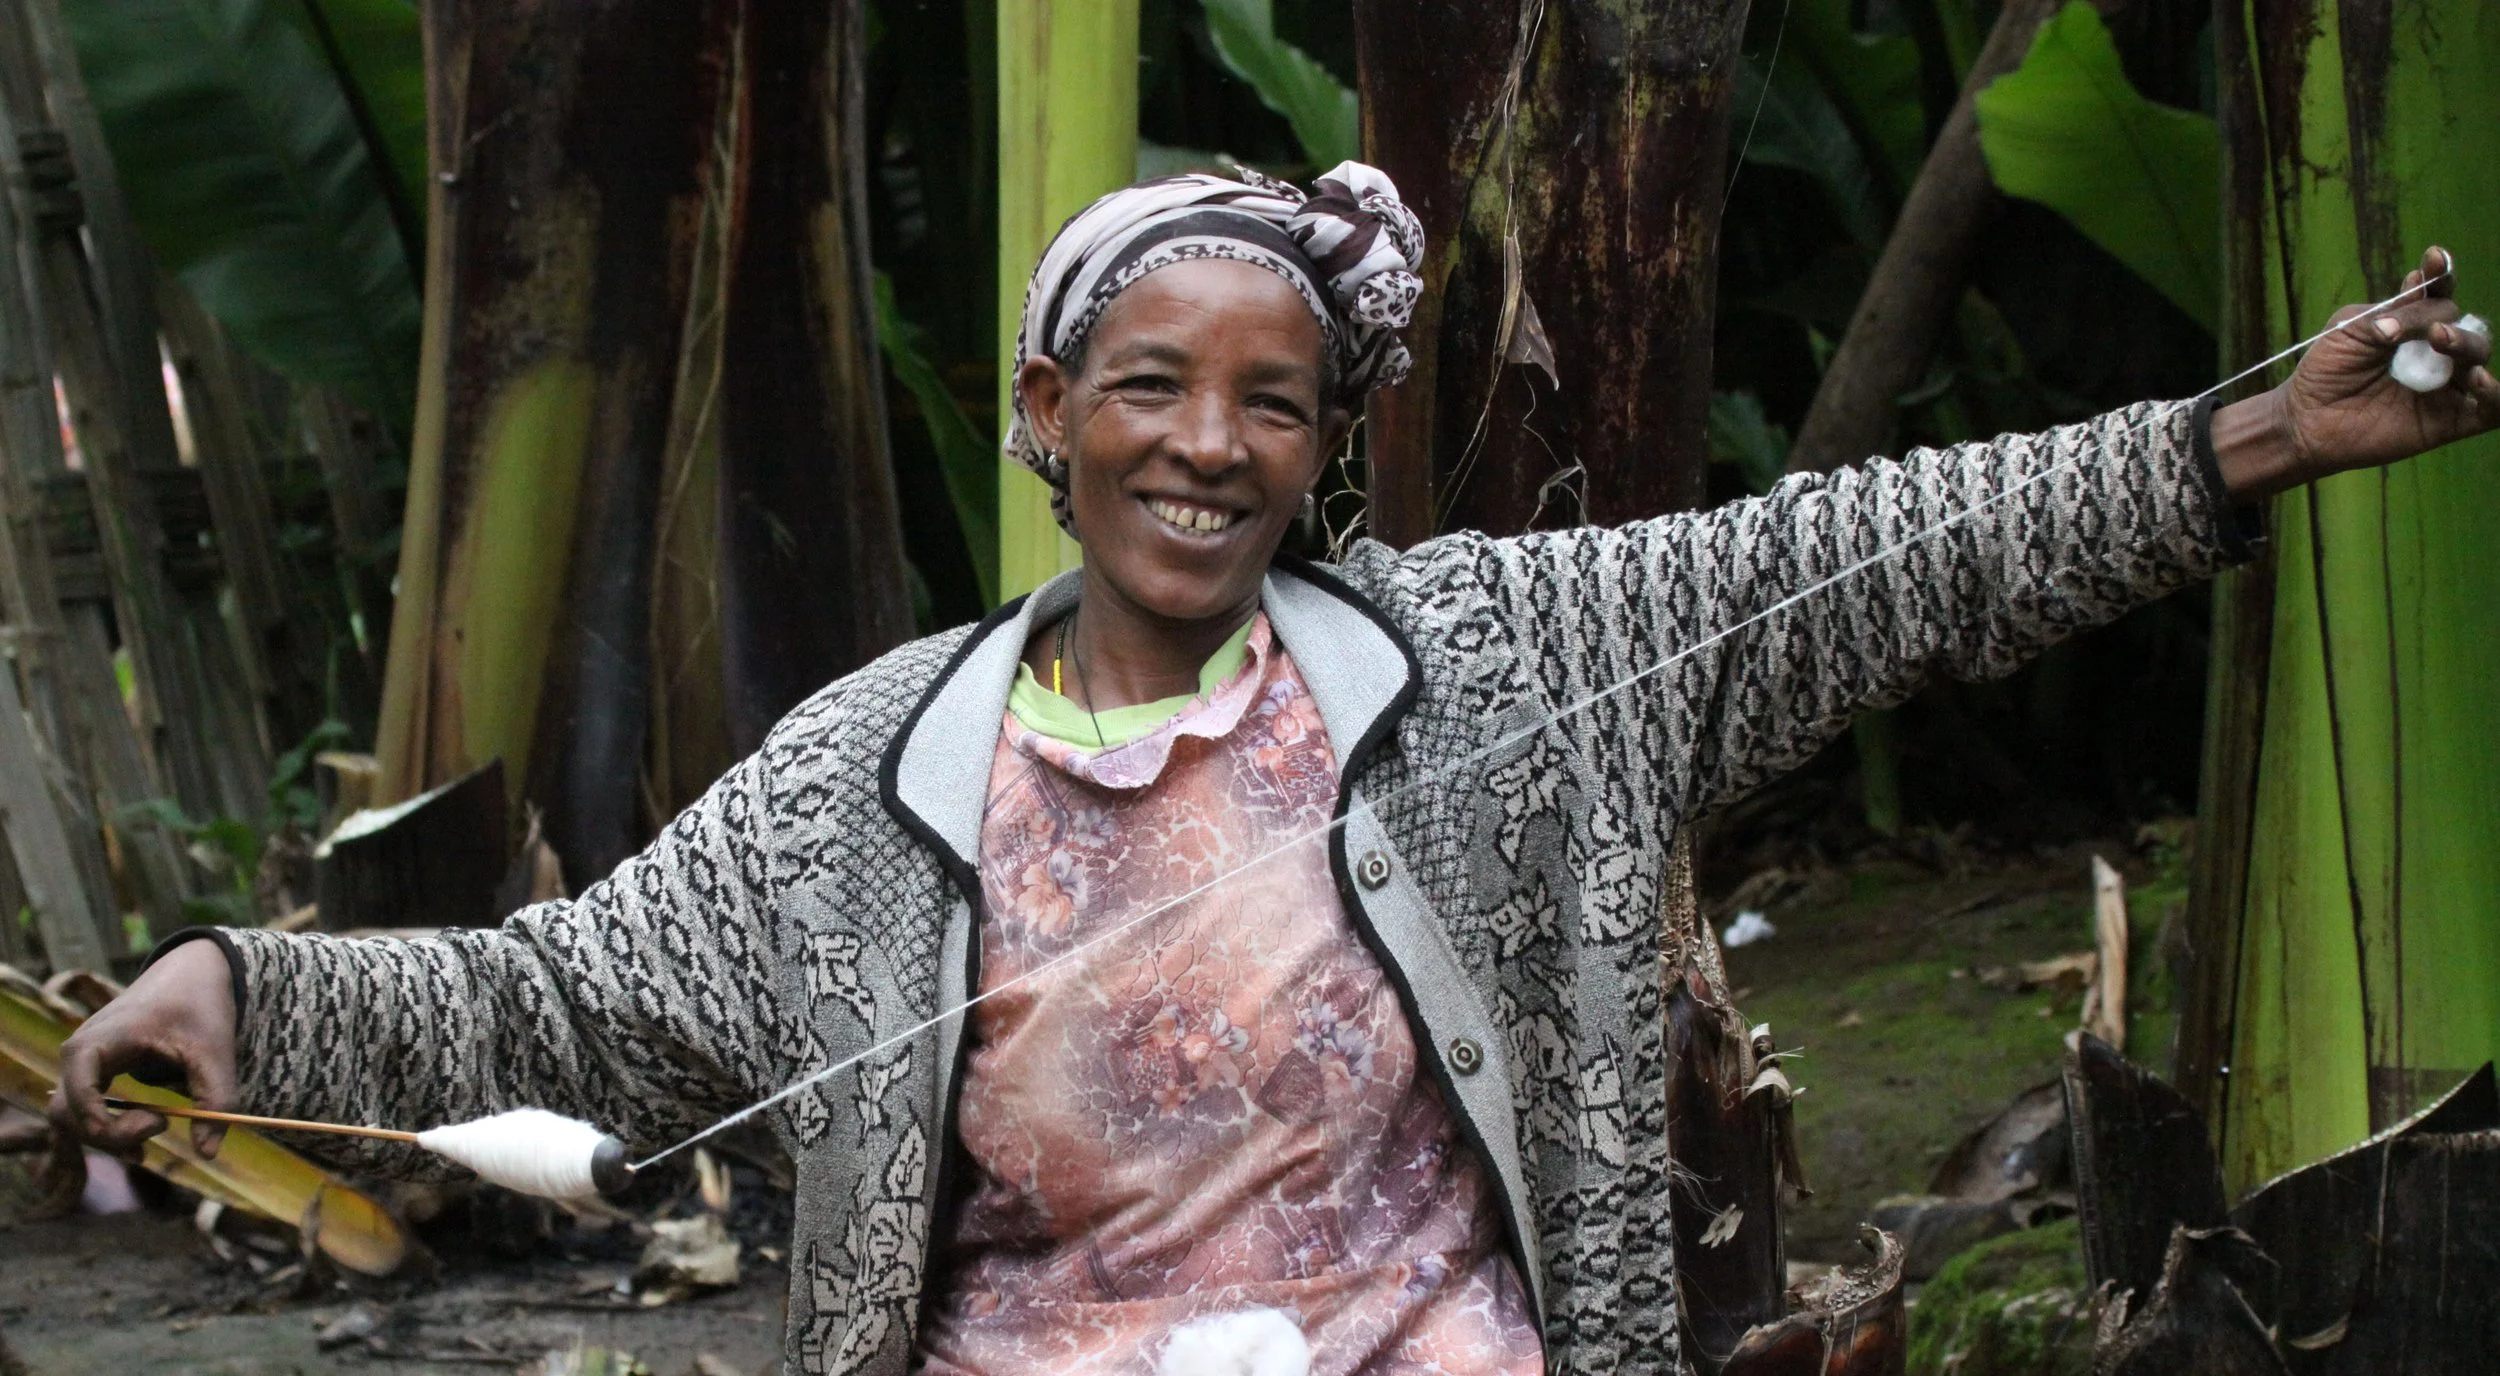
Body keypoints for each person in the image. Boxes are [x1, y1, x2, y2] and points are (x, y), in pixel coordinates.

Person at [48, 162, 2497, 1376]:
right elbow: (563, 997)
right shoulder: (862, 777)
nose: (1205, 448)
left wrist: (2243, 438)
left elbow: (1870, 559)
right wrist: (245, 987)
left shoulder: (1501, 661)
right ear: (1045, 414)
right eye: (1147, 386)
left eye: (1271, 402)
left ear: (1323, 442)